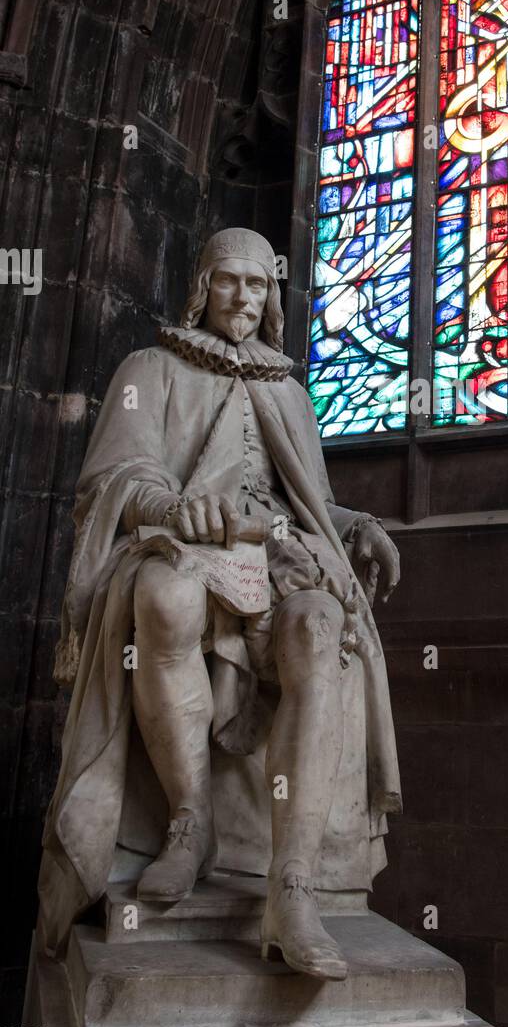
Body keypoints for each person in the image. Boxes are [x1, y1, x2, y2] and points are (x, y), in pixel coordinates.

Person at [37, 228, 402, 980]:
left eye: (258, 286)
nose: (243, 298)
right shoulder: (152, 368)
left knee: (321, 626)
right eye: (228, 282)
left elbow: (313, 507)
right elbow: (111, 484)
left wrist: (358, 527)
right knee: (164, 597)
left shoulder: (289, 391)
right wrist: (173, 510)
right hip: (184, 553)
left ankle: (291, 888)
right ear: (203, 287)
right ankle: (189, 820)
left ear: (273, 296)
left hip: (281, 564)